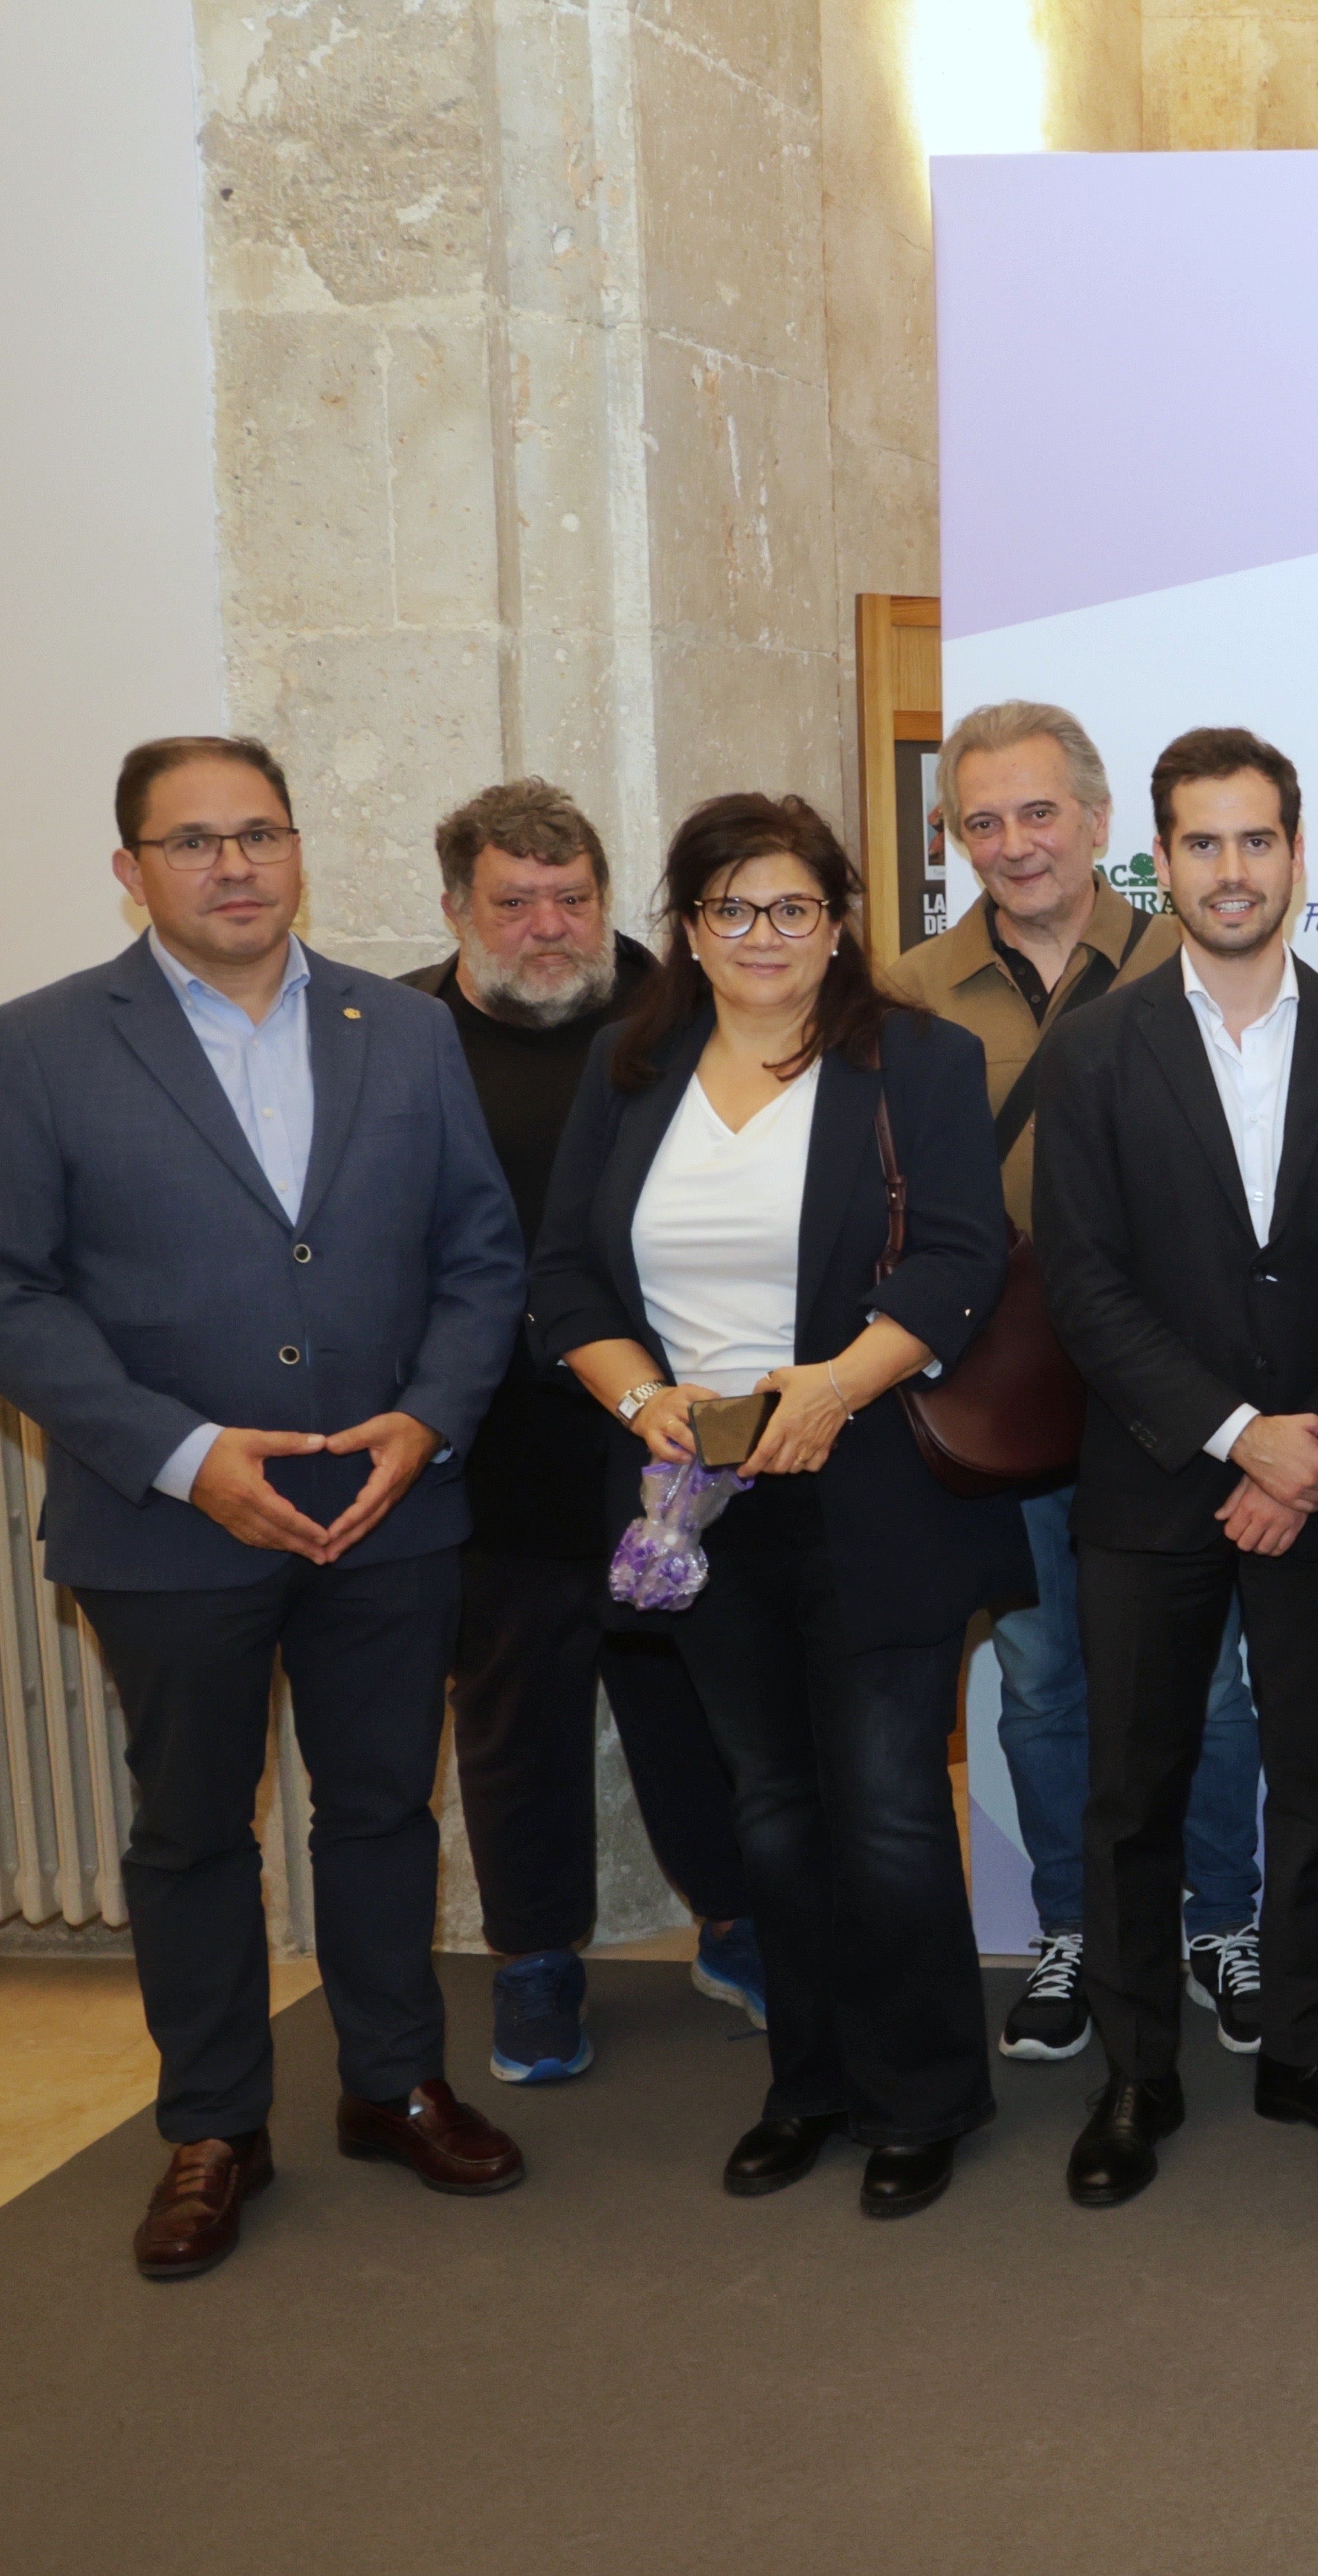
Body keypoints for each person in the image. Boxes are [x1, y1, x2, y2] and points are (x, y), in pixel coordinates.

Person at [0, 736, 530, 2280]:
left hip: (389, 1506)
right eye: (193, 840)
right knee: (194, 1828)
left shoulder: (403, 1030)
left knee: (386, 1809)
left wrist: (432, 1413)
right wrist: (187, 1451)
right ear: (130, 867)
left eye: (259, 831)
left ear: (298, 848)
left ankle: (393, 2078)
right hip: (169, 1521)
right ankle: (215, 2122)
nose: (234, 865)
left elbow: (483, 1255)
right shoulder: (42, 1042)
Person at [530, 793, 1019, 2219]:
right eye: (733, 908)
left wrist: (835, 1387)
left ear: (836, 921)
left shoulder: (913, 1057)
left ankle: (921, 2094)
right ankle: (807, 2080)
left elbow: (959, 1256)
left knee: (880, 1805)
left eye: (793, 906)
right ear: (688, 926)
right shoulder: (629, 1068)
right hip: (697, 1498)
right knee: (774, 1805)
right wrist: (642, 1401)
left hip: (872, 1486)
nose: (764, 934)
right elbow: (563, 1276)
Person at [1027, 728, 1318, 2192]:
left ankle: (1309, 2050)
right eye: (1202, 842)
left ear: (1297, 854)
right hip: (1149, 1478)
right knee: (1135, 1784)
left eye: (1257, 840)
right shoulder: (1094, 1051)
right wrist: (1230, 1431)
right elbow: (1083, 1282)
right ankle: (1135, 2074)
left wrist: (1301, 1443)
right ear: (1161, 858)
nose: (1233, 868)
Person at [888, 699, 1260, 2068]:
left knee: (1210, 1686)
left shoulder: (1199, 951)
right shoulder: (909, 987)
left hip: (1180, 1386)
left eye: (1038, 811)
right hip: (1019, 1395)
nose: (1013, 842)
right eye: (980, 819)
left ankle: (1225, 1921)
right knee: (1043, 1680)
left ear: (1103, 824)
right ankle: (1070, 1927)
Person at [404, 779, 756, 2084]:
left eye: (574, 898)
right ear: (457, 909)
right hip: (490, 1447)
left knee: (689, 1696)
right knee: (514, 1713)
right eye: (516, 901)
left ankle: (734, 1919)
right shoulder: (400, 1033)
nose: (550, 926)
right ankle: (537, 1958)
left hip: (662, 1440)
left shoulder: (682, 1015)